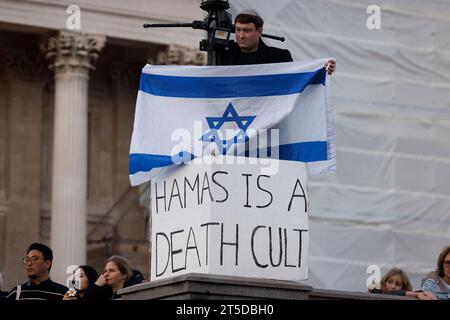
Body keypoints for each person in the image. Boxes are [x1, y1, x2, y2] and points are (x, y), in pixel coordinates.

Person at [220, 10, 336, 75]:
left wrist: (321, 70)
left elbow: (297, 79)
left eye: (246, 30)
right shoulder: (223, 53)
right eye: (238, 30)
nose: (241, 35)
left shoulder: (280, 57)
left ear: (259, 31)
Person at [369, 267, 436, 300]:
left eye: (398, 284)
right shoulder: (377, 292)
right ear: (384, 282)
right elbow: (384, 294)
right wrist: (414, 294)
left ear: (404, 287)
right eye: (390, 282)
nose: (393, 286)